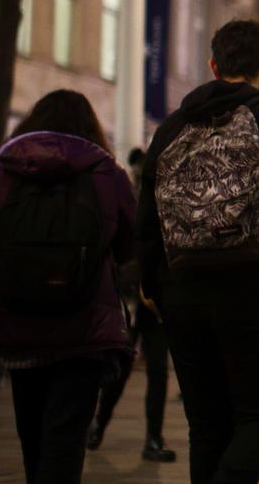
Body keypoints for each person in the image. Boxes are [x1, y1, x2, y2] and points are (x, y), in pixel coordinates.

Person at [138, 19, 259, 484]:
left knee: (206, 427)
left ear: (213, 64)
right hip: (256, 295)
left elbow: (147, 215)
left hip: (184, 295)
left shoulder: (172, 127)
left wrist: (154, 286)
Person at [0, 90, 136, 484]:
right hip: (84, 326)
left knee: (31, 437)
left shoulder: (7, 171)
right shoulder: (107, 173)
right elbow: (130, 243)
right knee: (65, 441)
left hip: (20, 321)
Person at [88, 146, 177, 464]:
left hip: (156, 300)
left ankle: (153, 437)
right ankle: (99, 423)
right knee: (121, 368)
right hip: (131, 295)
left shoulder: (170, 202)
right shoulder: (133, 199)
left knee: (157, 371)